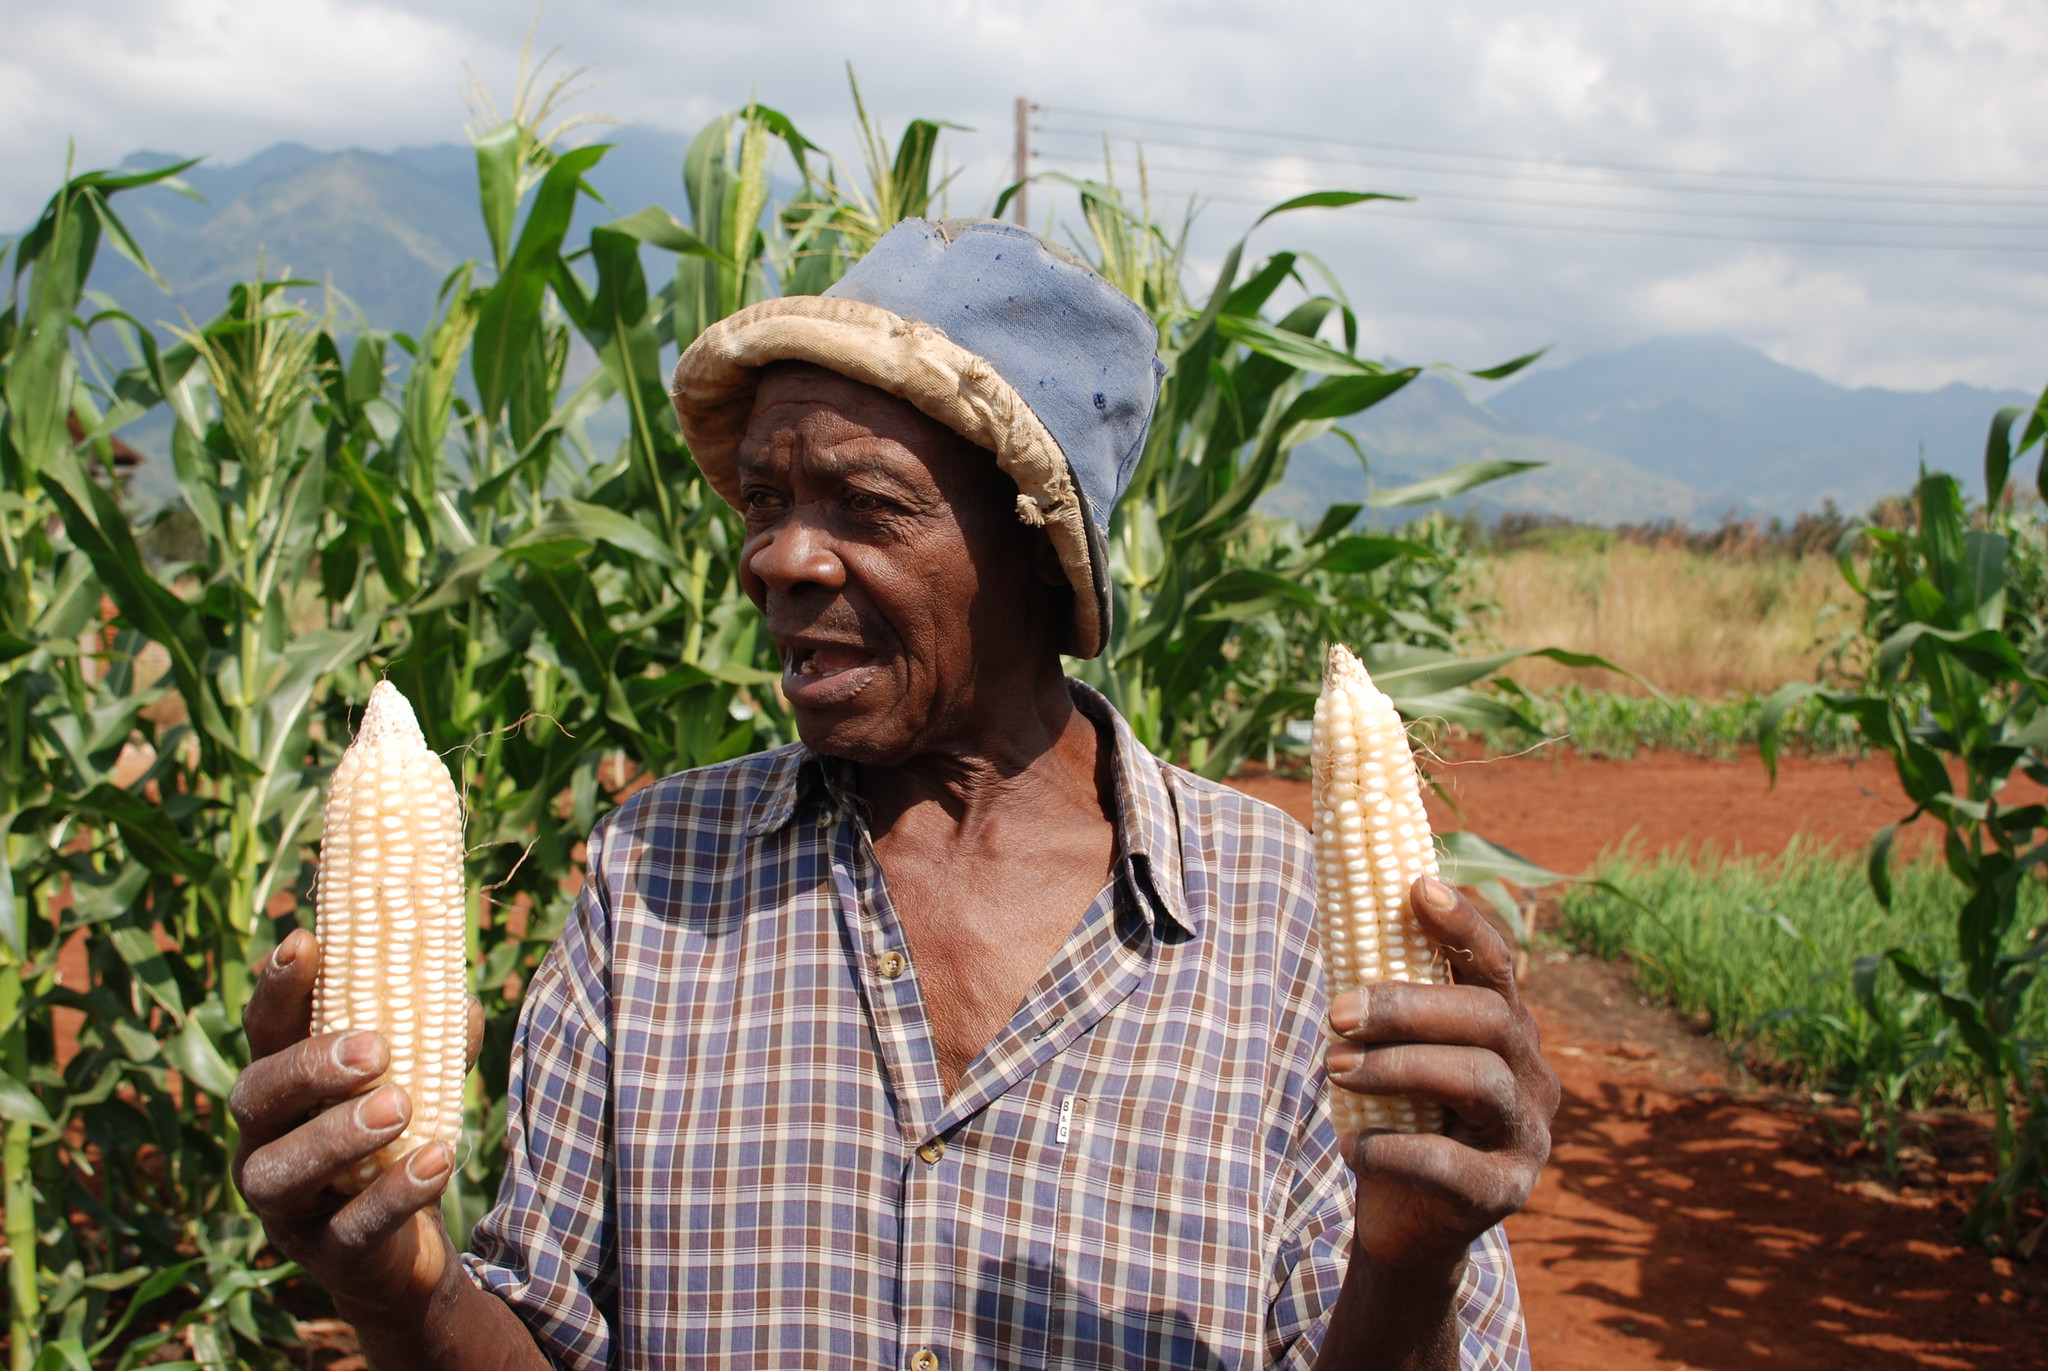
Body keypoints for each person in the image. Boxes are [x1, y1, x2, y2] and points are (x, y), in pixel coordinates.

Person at [230, 218, 1557, 1370]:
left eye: (864, 505)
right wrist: (399, 1288)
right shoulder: (655, 877)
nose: (780, 558)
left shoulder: (1279, 928)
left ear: (1042, 551)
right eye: (764, 501)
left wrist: (1414, 1263)